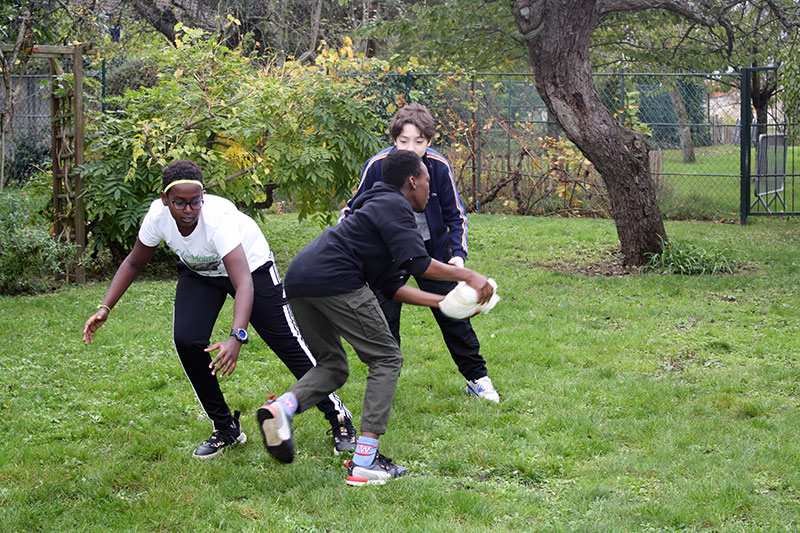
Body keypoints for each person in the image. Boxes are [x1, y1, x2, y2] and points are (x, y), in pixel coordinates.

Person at [82, 159, 356, 459]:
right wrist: (105, 306)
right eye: (179, 203)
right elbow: (134, 261)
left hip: (252, 270)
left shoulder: (217, 219)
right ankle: (225, 428)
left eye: (194, 203)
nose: (188, 211)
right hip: (201, 273)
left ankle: (339, 418)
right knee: (187, 340)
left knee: (287, 343)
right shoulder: (156, 217)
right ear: (164, 200)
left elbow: (244, 285)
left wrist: (237, 336)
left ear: (202, 198)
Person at [256, 150, 495, 486]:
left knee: (333, 366)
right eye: (427, 180)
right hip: (335, 279)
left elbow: (394, 284)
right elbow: (419, 264)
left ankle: (282, 408)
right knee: (386, 357)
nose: (430, 187)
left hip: (299, 280)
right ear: (413, 180)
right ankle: (365, 461)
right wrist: (469, 276)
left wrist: (445, 303)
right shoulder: (394, 205)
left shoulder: (379, 208)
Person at [339, 103, 499, 403]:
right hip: (385, 253)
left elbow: (456, 217)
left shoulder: (439, 167)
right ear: (393, 140)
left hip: (430, 252)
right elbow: (351, 211)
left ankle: (478, 378)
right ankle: (386, 385)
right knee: (385, 318)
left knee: (453, 312)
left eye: (419, 142)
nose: (411, 149)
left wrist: (457, 255)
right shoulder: (378, 166)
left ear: (429, 141)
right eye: (403, 141)